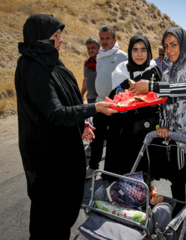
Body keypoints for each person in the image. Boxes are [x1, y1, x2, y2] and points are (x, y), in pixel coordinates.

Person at [14, 14, 118, 239]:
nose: (60, 40)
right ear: (41, 38)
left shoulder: (50, 61)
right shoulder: (33, 68)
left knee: (61, 217)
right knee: (49, 220)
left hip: (62, 150)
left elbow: (67, 98)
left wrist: (81, 124)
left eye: (60, 35)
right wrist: (95, 109)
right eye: (55, 35)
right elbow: (55, 113)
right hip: (47, 159)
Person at [128, 27, 186, 239]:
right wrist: (165, 124)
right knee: (177, 183)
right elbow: (167, 104)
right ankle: (178, 217)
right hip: (176, 138)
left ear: (184, 43)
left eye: (173, 45)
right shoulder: (169, 71)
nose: (168, 50)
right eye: (166, 46)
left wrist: (151, 85)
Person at [104, 35, 162, 181]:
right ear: (130, 52)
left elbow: (161, 100)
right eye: (135, 50)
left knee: (145, 174)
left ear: (149, 52)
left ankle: (146, 197)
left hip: (146, 129)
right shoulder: (120, 71)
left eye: (143, 49)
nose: (139, 54)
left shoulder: (155, 71)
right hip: (124, 130)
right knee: (125, 172)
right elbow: (114, 99)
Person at [86, 25, 128, 179]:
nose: (104, 41)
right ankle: (92, 167)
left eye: (107, 38)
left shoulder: (123, 56)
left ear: (114, 39)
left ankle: (110, 172)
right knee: (96, 139)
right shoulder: (99, 56)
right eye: (102, 38)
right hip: (99, 103)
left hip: (115, 106)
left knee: (113, 140)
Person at [80, 37, 100, 103]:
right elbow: (86, 79)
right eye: (88, 48)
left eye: (93, 48)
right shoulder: (87, 63)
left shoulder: (103, 62)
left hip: (102, 98)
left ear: (98, 48)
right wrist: (82, 94)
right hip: (91, 98)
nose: (90, 50)